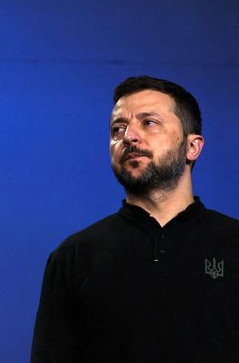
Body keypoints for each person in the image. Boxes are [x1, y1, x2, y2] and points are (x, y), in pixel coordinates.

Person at [31, 76, 239, 362]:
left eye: (149, 123)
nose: (129, 136)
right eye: (118, 128)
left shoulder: (233, 244)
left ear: (193, 147)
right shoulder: (73, 258)